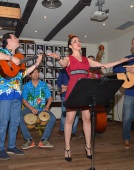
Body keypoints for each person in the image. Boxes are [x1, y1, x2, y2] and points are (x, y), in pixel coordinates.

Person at [48, 34, 134, 162]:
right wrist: (59, 58)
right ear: (70, 46)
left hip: (85, 90)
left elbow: (104, 66)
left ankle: (88, 147)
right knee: (69, 120)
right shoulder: (68, 58)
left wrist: (121, 61)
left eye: (79, 41)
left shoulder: (86, 60)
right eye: (75, 41)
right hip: (73, 90)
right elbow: (63, 63)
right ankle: (67, 148)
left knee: (87, 119)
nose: (78, 42)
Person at [0, 32, 42, 160]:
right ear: (8, 40)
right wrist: (10, 58)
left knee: (14, 122)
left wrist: (36, 64)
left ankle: (11, 146)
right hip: (5, 92)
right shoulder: (1, 51)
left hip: (17, 93)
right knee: (3, 122)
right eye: (15, 37)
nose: (18, 39)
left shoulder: (19, 57)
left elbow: (23, 73)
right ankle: (0, 149)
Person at [20, 68, 56, 149]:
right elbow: (24, 100)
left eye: (37, 72)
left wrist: (47, 106)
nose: (35, 74)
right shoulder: (26, 86)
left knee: (53, 118)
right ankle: (28, 140)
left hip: (42, 109)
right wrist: (31, 108)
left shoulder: (44, 85)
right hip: (29, 108)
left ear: (39, 74)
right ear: (30, 75)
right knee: (18, 117)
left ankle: (44, 140)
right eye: (33, 73)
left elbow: (49, 98)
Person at [113, 37, 134, 149]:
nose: (133, 46)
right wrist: (128, 70)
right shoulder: (128, 58)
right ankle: (126, 139)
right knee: (127, 118)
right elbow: (115, 68)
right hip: (130, 93)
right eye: (132, 44)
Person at [56, 68, 79, 140]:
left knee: (76, 114)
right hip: (65, 95)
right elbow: (59, 81)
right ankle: (62, 129)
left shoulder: (78, 70)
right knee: (64, 113)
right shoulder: (63, 71)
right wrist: (62, 86)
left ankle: (73, 132)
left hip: (76, 95)